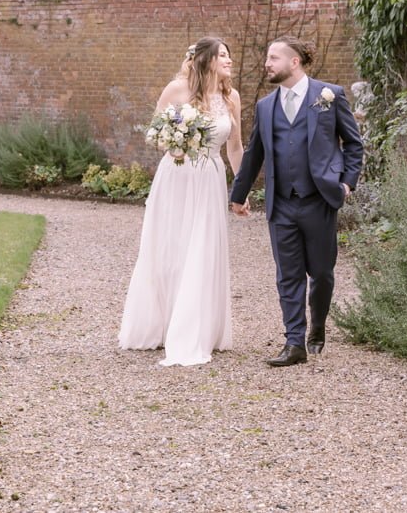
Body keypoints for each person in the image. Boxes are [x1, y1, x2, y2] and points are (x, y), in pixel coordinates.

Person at [229, 36, 363, 367]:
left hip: (319, 200)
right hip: (282, 203)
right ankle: (294, 342)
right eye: (267, 58)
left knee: (321, 273)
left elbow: (354, 144)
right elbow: (253, 154)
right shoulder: (265, 106)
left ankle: (317, 326)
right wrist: (238, 194)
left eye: (274, 57)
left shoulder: (329, 96)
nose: (267, 63)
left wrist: (346, 183)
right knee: (287, 275)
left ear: (294, 62)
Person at [118, 37, 244, 366]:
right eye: (223, 56)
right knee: (170, 247)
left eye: (230, 56)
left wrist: (241, 189)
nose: (229, 61)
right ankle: (162, 324)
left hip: (210, 178)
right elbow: (156, 132)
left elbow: (235, 148)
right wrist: (175, 143)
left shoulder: (232, 98)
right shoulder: (176, 90)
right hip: (176, 175)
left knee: (203, 247)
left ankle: (199, 329)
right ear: (206, 61)